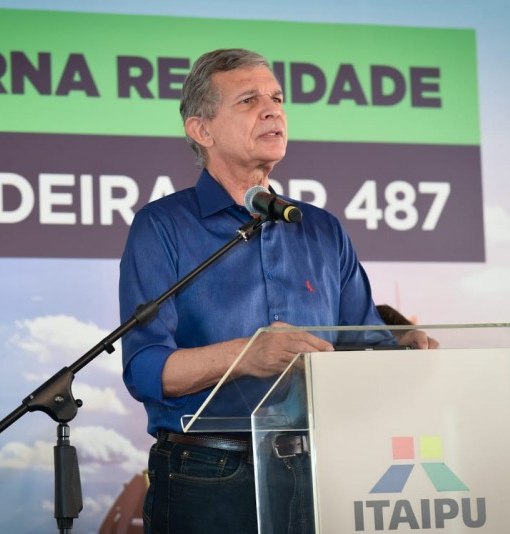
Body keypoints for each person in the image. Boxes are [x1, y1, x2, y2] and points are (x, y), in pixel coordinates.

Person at [118, 48, 434, 534]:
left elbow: (364, 344)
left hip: (322, 469)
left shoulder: (322, 230)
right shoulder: (162, 226)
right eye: (249, 100)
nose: (272, 110)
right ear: (202, 130)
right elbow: (146, 371)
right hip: (207, 475)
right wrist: (247, 354)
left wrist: (402, 352)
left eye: (277, 98)